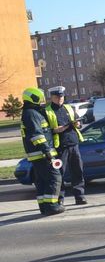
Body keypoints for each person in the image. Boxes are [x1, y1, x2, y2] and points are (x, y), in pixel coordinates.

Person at [20, 87, 64, 216]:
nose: (41, 101)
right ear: (33, 98)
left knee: (42, 181)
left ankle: (44, 206)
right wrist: (47, 151)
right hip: (42, 154)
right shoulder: (32, 114)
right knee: (54, 178)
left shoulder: (31, 112)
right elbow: (37, 135)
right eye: (39, 98)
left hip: (37, 154)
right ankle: (51, 206)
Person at [45, 86, 87, 205]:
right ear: (52, 97)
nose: (60, 99)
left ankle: (80, 196)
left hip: (73, 143)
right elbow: (46, 130)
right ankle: (60, 198)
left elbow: (78, 124)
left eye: (62, 97)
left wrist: (78, 124)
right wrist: (55, 130)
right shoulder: (47, 111)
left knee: (78, 171)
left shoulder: (69, 107)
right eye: (57, 97)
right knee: (60, 174)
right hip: (60, 147)